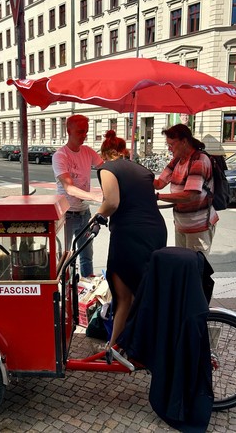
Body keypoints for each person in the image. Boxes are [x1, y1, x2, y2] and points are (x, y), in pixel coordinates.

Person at [96, 130, 167, 359]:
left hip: (129, 234)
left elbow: (112, 201)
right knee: (143, 290)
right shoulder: (143, 170)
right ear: (123, 151)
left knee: (123, 294)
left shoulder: (107, 169)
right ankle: (121, 344)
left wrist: (97, 217)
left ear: (106, 153)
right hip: (155, 231)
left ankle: (119, 345)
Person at [154, 124, 218, 257]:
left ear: (184, 142)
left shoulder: (199, 160)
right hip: (181, 225)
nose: (169, 148)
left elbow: (190, 196)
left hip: (199, 227)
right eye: (168, 145)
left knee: (196, 269)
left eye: (171, 144)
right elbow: (159, 183)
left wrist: (158, 197)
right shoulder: (177, 160)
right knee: (183, 266)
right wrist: (139, 175)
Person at [52, 114, 103, 277]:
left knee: (86, 256)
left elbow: (105, 169)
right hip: (66, 215)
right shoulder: (60, 156)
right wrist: (95, 197)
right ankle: (67, 294)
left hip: (84, 213)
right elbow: (69, 188)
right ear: (69, 131)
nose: (84, 136)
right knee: (66, 259)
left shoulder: (88, 151)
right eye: (80, 131)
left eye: (86, 132)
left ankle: (87, 291)